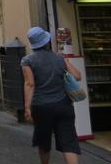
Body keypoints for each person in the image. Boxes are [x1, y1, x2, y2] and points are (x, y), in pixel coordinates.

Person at [21, 27, 82, 164]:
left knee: (44, 142)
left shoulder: (27, 61)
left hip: (41, 106)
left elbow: (30, 84)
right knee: (69, 142)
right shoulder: (60, 58)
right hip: (64, 105)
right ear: (47, 41)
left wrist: (27, 108)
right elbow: (77, 76)